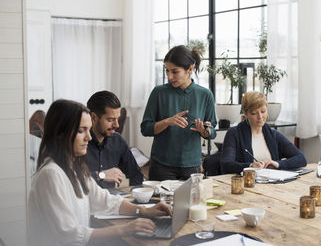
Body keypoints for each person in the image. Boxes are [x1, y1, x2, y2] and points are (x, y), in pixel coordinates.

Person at [28, 99, 172, 246]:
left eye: (88, 130)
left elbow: (105, 201)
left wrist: (143, 211)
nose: (89, 137)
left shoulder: (75, 168)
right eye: (80, 131)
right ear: (60, 133)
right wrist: (124, 230)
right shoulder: (51, 175)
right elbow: (69, 235)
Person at [141, 45, 217, 180]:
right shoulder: (158, 93)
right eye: (167, 71)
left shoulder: (205, 95)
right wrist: (167, 121)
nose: (170, 76)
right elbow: (145, 128)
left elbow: (212, 132)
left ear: (190, 69)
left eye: (175, 72)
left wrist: (203, 130)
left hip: (192, 166)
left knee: (192, 201)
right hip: (161, 165)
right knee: (160, 201)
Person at [220, 91, 306, 174]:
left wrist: (278, 164)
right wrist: (250, 166)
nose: (260, 117)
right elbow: (226, 164)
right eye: (254, 113)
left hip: (272, 183)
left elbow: (301, 158)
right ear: (245, 113)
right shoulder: (234, 134)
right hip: (246, 183)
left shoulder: (273, 134)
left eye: (263, 111)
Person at [86, 91, 143, 189]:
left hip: (111, 201)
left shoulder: (118, 141)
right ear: (94, 117)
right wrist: (101, 175)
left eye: (117, 119)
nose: (117, 125)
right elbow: (70, 181)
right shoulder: (78, 143)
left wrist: (136, 196)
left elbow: (136, 175)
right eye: (110, 120)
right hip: (86, 202)